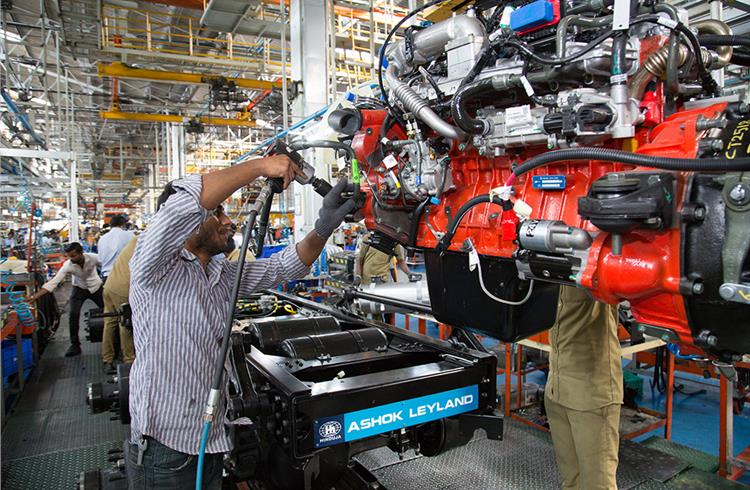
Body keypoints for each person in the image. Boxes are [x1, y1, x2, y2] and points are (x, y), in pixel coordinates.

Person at [126, 154, 355, 489]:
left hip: (211, 440)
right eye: (218, 212)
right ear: (191, 222)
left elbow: (284, 267)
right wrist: (260, 166)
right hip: (166, 451)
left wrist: (324, 226)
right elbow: (187, 200)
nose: (228, 221)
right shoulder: (154, 268)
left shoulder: (222, 275)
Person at [544, 286, 623, 490]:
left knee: (597, 485)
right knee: (571, 482)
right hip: (556, 389)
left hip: (591, 394)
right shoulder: (550, 271)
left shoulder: (595, 270)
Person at [26, 242, 104, 357]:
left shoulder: (93, 257)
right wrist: (34, 297)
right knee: (73, 314)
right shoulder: (68, 265)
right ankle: (75, 345)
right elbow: (53, 283)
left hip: (96, 287)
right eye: (69, 256)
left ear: (81, 253)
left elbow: (110, 265)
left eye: (73, 256)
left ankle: (113, 339)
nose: (71, 259)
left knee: (108, 311)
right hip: (79, 289)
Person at [100, 235, 137, 373]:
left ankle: (107, 359)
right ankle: (129, 360)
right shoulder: (146, 242)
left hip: (109, 286)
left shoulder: (135, 240)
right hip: (122, 289)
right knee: (126, 324)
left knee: (109, 323)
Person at [98, 214, 134, 280]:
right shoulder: (129, 235)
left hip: (106, 277)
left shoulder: (102, 239)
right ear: (123, 225)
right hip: (123, 276)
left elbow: (100, 259)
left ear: (110, 225)